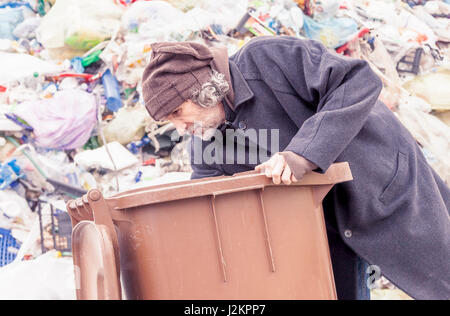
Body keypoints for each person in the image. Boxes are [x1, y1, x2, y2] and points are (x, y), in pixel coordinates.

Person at [141, 36, 450, 300]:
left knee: (440, 277)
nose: (180, 128)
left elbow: (356, 80)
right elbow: (206, 206)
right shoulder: (205, 141)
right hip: (321, 224)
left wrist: (302, 154)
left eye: (178, 112)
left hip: (381, 181)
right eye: (170, 121)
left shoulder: (266, 59)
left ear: (203, 90)